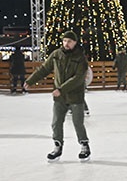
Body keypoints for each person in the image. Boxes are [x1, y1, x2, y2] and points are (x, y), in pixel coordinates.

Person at [24, 31, 91, 161]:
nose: (66, 43)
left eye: (69, 41)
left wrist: (61, 89)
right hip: (60, 97)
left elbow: (78, 78)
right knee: (56, 123)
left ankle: (84, 145)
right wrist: (30, 80)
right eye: (65, 41)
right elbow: (44, 69)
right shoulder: (56, 54)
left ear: (75, 43)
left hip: (75, 96)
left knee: (78, 123)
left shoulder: (80, 58)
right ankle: (57, 146)